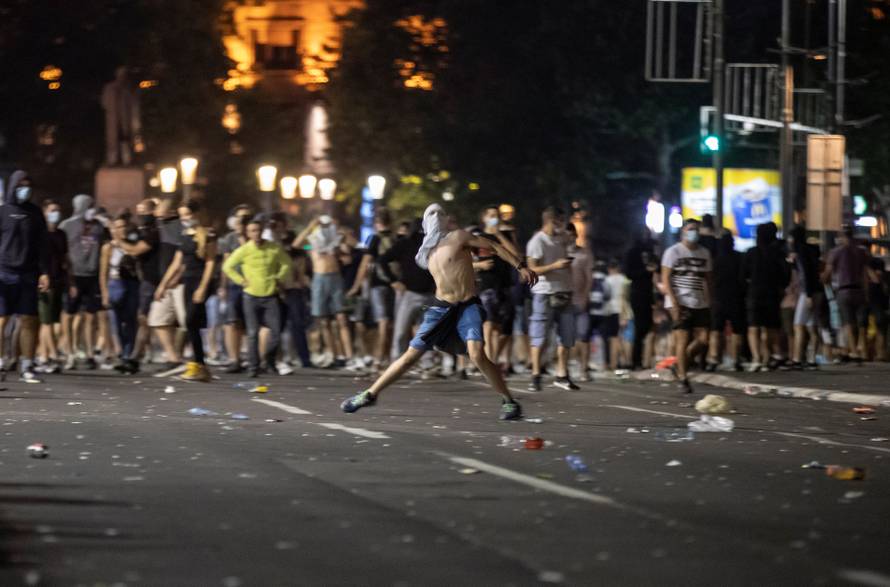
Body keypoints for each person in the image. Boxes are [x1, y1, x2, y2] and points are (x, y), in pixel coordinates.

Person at [340, 203, 537, 420]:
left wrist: (521, 266)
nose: (435, 217)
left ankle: (509, 401)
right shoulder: (425, 252)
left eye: (439, 213)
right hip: (441, 307)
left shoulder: (459, 237)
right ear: (425, 222)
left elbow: (494, 246)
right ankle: (369, 394)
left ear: (445, 219)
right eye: (430, 214)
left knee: (477, 355)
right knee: (410, 356)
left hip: (467, 305)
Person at [155, 201, 217, 381]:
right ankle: (200, 366)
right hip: (187, 282)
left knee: (190, 321)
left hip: (200, 281)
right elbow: (177, 262)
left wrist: (203, 288)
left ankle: (199, 364)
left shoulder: (208, 234)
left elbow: (210, 262)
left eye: (188, 215)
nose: (184, 219)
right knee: (192, 324)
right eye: (182, 215)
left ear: (197, 214)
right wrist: (163, 285)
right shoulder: (184, 234)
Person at [223, 218, 291, 377]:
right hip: (250, 295)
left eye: (259, 230)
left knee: (275, 332)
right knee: (252, 333)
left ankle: (268, 360)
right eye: (253, 231)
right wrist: (241, 280)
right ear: (248, 233)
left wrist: (279, 278)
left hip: (270, 295)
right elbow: (227, 266)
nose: (257, 233)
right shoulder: (244, 250)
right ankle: (253, 367)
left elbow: (287, 263)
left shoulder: (273, 248)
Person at [0, 171, 50, 383]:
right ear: (12, 186)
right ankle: (1, 363)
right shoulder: (2, 212)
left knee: (30, 320)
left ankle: (27, 365)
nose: (25, 188)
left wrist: (45, 272)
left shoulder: (35, 212)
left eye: (28, 185)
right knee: (2, 320)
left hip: (29, 273)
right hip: (4, 272)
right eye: (21, 185)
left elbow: (43, 245)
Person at [294, 215, 357, 369]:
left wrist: (340, 230)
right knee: (324, 320)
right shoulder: (313, 240)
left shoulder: (335, 238)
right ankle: (334, 356)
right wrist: (310, 225)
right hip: (319, 279)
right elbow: (296, 244)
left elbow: (354, 244)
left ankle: (349, 356)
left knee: (341, 318)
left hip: (335, 278)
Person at [526, 206, 577, 391]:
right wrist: (554, 266)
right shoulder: (537, 241)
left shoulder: (563, 239)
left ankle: (562, 374)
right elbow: (532, 269)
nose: (563, 225)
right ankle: (536, 375)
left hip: (565, 291)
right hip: (544, 292)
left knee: (567, 335)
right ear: (550, 220)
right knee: (540, 335)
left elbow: (572, 253)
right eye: (560, 221)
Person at [661, 218, 712, 393]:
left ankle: (680, 363)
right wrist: (674, 302)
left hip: (700, 301)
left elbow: (707, 278)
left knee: (704, 339)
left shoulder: (704, 253)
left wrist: (709, 299)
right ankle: (683, 378)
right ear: (683, 231)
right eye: (691, 229)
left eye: (696, 229)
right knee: (682, 339)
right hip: (680, 301)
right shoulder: (673, 252)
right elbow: (665, 278)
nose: (694, 232)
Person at [378, 218, 436, 363]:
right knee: (402, 330)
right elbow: (383, 260)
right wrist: (393, 281)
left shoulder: (432, 245)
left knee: (424, 330)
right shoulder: (405, 243)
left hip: (427, 295)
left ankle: (426, 362)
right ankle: (397, 360)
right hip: (409, 294)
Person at [58, 194, 106, 370]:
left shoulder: (98, 226)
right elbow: (61, 252)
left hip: (92, 275)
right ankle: (69, 352)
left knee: (90, 315)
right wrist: (68, 277)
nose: (92, 209)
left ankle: (89, 353)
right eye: (89, 205)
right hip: (74, 275)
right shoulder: (67, 225)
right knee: (69, 315)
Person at [347, 208, 396, 371]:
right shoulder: (395, 238)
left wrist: (356, 286)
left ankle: (378, 359)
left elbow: (364, 264)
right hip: (395, 284)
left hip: (378, 285)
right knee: (391, 323)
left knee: (382, 322)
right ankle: (388, 358)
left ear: (377, 223)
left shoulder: (374, 239)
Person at [113, 198, 161, 365]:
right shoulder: (144, 230)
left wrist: (118, 240)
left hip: (152, 280)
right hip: (146, 280)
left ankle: (139, 354)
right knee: (144, 318)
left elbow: (135, 250)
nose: (139, 216)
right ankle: (136, 354)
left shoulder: (154, 231)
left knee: (146, 318)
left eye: (143, 212)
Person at [472, 205, 520, 366]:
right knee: (489, 324)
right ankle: (491, 362)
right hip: (486, 285)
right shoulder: (477, 237)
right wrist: (480, 266)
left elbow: (516, 255)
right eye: (491, 215)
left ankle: (493, 359)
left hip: (505, 285)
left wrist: (498, 234)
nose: (495, 218)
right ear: (484, 218)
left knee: (504, 330)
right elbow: (465, 261)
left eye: (497, 215)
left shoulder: (505, 234)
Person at [742, 222, 790, 371]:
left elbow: (742, 275)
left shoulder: (751, 253)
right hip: (772, 294)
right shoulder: (778, 253)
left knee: (754, 327)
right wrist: (781, 287)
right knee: (771, 328)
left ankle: (757, 358)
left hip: (754, 293)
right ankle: (768, 357)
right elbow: (785, 274)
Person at [100, 214, 141, 373]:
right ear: (112, 230)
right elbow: (103, 273)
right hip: (114, 284)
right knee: (115, 322)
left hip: (131, 284)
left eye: (124, 226)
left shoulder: (133, 245)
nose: (121, 230)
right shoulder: (108, 248)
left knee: (130, 321)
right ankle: (119, 351)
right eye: (118, 227)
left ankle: (127, 355)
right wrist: (104, 293)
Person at [823, 224, 870, 362]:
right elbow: (864, 274)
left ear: (841, 236)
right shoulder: (861, 252)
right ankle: (862, 350)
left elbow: (827, 274)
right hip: (859, 290)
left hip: (843, 290)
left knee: (848, 321)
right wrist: (866, 292)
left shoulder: (835, 252)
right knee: (860, 322)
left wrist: (823, 280)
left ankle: (854, 351)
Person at [218, 205, 252, 372]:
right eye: (240, 218)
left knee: (249, 324)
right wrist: (223, 286)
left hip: (253, 285)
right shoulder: (229, 239)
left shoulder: (255, 238)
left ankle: (252, 358)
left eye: (246, 218)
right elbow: (226, 263)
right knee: (232, 322)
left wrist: (245, 237)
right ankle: (234, 359)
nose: (242, 222)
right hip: (234, 285)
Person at [36, 199, 68, 373]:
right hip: (44, 282)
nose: (56, 213)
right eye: (52, 210)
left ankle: (43, 356)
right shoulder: (40, 234)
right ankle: (53, 356)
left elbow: (65, 258)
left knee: (52, 321)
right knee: (47, 321)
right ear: (45, 212)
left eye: (58, 210)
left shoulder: (61, 234)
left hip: (59, 280)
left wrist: (70, 281)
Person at [706, 232, 745, 371]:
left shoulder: (715, 259)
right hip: (736, 297)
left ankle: (714, 359)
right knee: (737, 331)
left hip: (718, 298)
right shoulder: (739, 257)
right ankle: (736, 360)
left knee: (716, 330)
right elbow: (742, 277)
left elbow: (709, 279)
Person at [787, 225, 821, 369]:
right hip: (817, 291)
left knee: (798, 326)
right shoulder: (812, 250)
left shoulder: (800, 252)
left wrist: (807, 294)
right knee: (812, 326)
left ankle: (797, 358)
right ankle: (812, 359)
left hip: (807, 292)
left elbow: (805, 273)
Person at [624, 229, 658, 370]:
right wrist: (645, 271)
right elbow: (628, 273)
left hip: (648, 293)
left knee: (648, 327)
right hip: (637, 293)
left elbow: (658, 266)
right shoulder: (632, 252)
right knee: (639, 328)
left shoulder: (651, 251)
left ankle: (643, 360)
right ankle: (635, 361)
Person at [566, 222, 593, 380]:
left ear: (575, 236)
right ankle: (565, 369)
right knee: (565, 336)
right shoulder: (559, 253)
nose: (569, 238)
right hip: (564, 300)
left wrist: (585, 296)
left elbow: (589, 278)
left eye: (571, 234)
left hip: (580, 299)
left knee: (584, 335)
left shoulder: (584, 254)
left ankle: (584, 369)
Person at [604, 259, 629, 371]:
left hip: (610, 310)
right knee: (621, 337)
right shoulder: (624, 279)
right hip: (623, 310)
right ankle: (623, 361)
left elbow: (605, 296)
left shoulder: (607, 280)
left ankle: (615, 363)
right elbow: (626, 297)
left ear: (609, 269)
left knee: (613, 338)